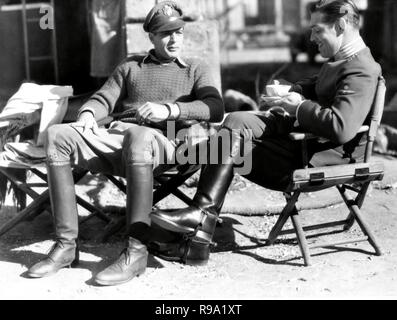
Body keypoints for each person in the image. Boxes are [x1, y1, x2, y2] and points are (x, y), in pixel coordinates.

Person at [151, 0, 382, 261]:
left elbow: (341, 128)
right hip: (305, 144)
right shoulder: (344, 59)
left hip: (317, 159)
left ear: (340, 26)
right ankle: (199, 230)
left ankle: (199, 225)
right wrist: (293, 90)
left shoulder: (362, 69)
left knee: (225, 143)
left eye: (318, 30)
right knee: (236, 121)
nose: (311, 37)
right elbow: (321, 84)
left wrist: (300, 107)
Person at [26, 1, 224, 286]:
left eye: (178, 32)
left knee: (139, 135)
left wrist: (170, 110)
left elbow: (215, 107)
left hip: (167, 144)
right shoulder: (131, 65)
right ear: (152, 37)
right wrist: (86, 115)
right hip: (121, 141)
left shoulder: (194, 68)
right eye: (166, 33)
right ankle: (66, 246)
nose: (174, 39)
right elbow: (103, 98)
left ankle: (136, 252)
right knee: (59, 135)